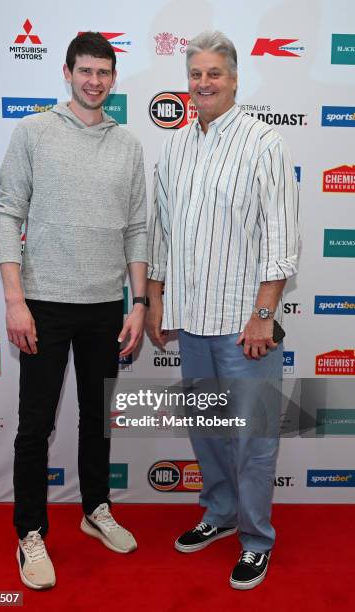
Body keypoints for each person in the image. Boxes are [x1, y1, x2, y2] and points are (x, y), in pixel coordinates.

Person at [147, 30, 299, 590]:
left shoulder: (265, 144)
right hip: (191, 321)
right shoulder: (176, 146)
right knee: (209, 429)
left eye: (214, 74)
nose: (204, 83)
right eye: (196, 74)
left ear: (235, 79)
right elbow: (161, 232)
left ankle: (256, 539)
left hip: (244, 326)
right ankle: (220, 514)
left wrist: (264, 313)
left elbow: (282, 236)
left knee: (254, 437)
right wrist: (157, 298)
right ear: (186, 82)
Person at [0, 32, 148, 590]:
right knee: (34, 427)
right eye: (85, 71)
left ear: (112, 78)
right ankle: (29, 532)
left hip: (107, 306)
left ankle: (95, 509)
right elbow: (9, 213)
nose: (94, 81)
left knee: (96, 420)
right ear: (67, 73)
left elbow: (136, 229)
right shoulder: (33, 132)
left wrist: (138, 304)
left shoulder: (128, 144)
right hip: (42, 304)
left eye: (103, 72)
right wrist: (15, 300)